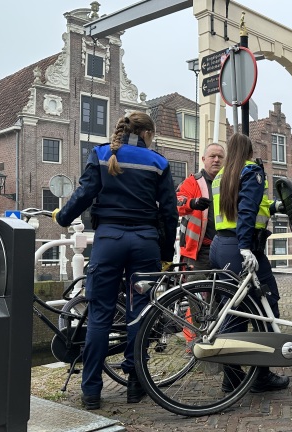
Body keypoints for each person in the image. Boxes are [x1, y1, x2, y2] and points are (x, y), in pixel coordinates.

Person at [53, 112, 178, 410]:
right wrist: (165, 254)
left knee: (99, 316)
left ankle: (92, 391)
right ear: (147, 133)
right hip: (145, 244)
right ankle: (136, 384)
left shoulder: (100, 154)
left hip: (108, 241)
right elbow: (169, 212)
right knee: (139, 313)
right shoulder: (158, 162)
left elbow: (84, 193)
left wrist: (63, 217)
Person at [209, 132, 289, 393]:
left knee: (234, 312)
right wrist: (245, 247)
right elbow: (246, 211)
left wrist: (275, 206)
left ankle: (231, 377)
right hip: (242, 247)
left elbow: (250, 205)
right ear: (250, 150)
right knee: (266, 308)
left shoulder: (222, 175)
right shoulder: (251, 170)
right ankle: (261, 375)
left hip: (221, 246)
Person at [176, 143, 225, 277]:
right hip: (199, 250)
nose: (216, 160)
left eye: (220, 157)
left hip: (224, 246)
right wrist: (192, 203)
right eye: (212, 156)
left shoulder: (229, 183)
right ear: (203, 159)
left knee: (226, 291)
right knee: (196, 291)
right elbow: (176, 203)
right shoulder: (192, 182)